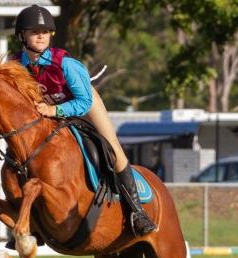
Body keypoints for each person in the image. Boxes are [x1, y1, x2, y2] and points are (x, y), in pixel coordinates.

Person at [12, 5, 156, 236]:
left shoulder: (66, 64)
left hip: (82, 105)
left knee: (112, 149)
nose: (41, 35)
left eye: (45, 31)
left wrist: (53, 110)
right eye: (34, 31)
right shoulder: (15, 66)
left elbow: (83, 102)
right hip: (46, 112)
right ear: (21, 35)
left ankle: (137, 212)